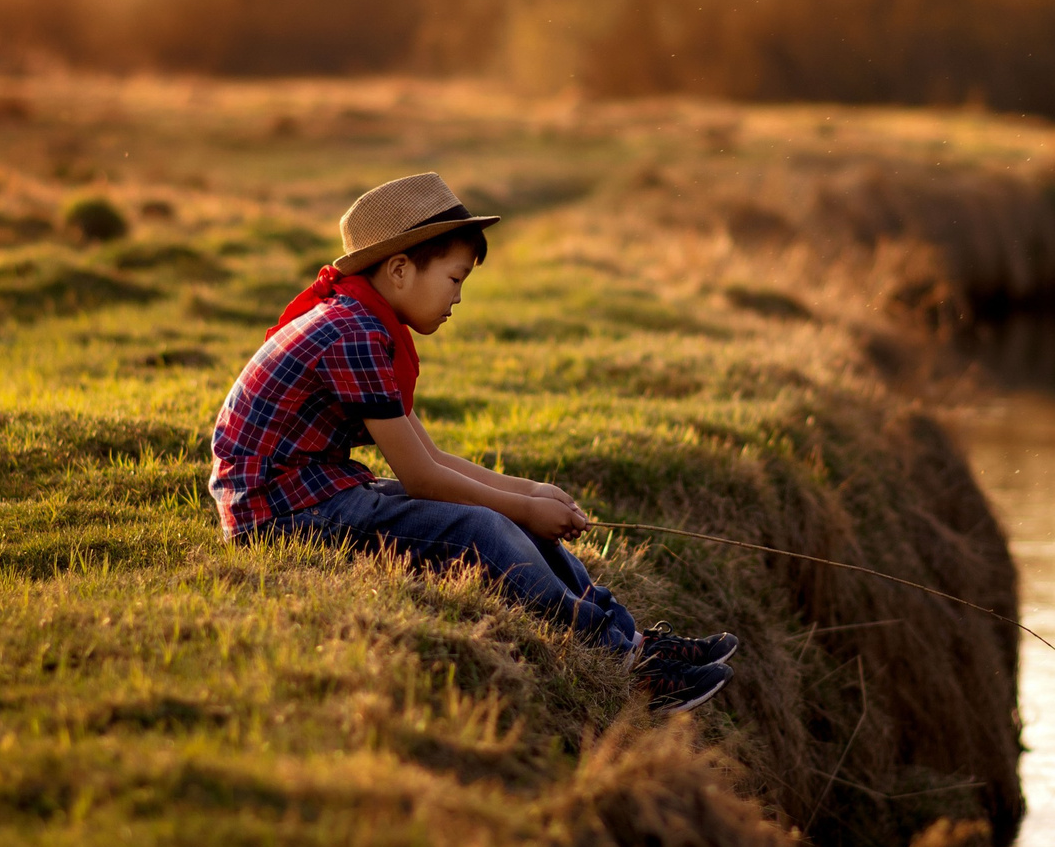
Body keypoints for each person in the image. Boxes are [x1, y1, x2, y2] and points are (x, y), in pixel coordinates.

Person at [210, 172, 737, 711]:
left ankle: (633, 642)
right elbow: (422, 479)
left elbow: (431, 457)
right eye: (454, 278)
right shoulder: (354, 334)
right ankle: (626, 667)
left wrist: (530, 492)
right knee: (481, 528)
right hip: (280, 516)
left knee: (501, 513)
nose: (458, 297)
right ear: (399, 269)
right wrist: (520, 509)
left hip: (318, 491)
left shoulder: (362, 319)